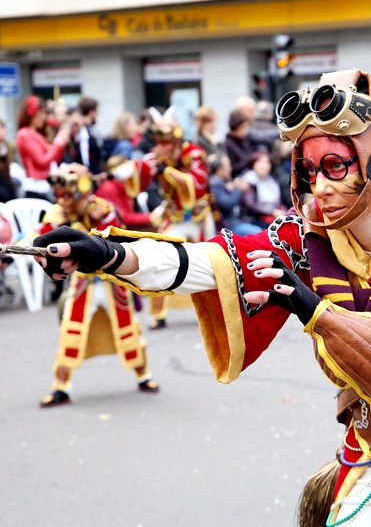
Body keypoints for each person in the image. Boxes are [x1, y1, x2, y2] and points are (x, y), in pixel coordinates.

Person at [32, 69, 371, 527]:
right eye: (307, 170)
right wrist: (106, 254)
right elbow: (212, 263)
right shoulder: (312, 235)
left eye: (335, 166)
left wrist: (310, 307)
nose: (317, 187)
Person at [34, 163, 159, 407]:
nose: (63, 197)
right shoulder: (57, 213)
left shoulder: (103, 210)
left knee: (128, 329)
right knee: (71, 330)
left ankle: (144, 375)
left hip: (112, 280)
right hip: (84, 282)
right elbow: (42, 238)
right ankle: (61, 387)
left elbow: (116, 240)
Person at [113, 119, 213, 330]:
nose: (160, 146)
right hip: (174, 216)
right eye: (158, 141)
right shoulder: (159, 154)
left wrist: (166, 170)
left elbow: (197, 184)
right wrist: (130, 169)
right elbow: (143, 169)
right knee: (158, 258)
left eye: (165, 142)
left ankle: (212, 309)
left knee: (209, 263)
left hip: (198, 218)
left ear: (176, 141)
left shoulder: (194, 153)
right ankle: (158, 314)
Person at [16, 95, 70, 200]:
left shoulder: (36, 134)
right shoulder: (24, 134)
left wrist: (60, 142)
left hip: (46, 186)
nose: (44, 117)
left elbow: (52, 160)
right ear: (31, 114)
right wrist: (58, 142)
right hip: (36, 188)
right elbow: (43, 161)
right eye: (41, 113)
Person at [208, 155, 260, 236]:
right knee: (257, 232)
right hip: (227, 224)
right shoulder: (214, 184)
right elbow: (227, 204)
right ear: (219, 169)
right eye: (227, 166)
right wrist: (239, 189)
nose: (230, 169)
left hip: (237, 220)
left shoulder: (223, 182)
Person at [241, 151, 286, 227]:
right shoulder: (249, 180)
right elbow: (251, 205)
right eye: (260, 162)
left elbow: (280, 201)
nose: (265, 165)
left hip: (273, 215)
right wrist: (272, 212)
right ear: (253, 164)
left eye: (267, 162)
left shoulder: (272, 179)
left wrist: (284, 211)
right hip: (255, 218)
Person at [76, 96, 104, 173]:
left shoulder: (75, 130)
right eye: (97, 111)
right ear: (92, 112)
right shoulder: (92, 133)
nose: (98, 114)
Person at [224, 110, 255, 176]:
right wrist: (249, 160)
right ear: (236, 128)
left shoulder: (245, 139)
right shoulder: (228, 144)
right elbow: (233, 167)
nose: (245, 130)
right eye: (243, 127)